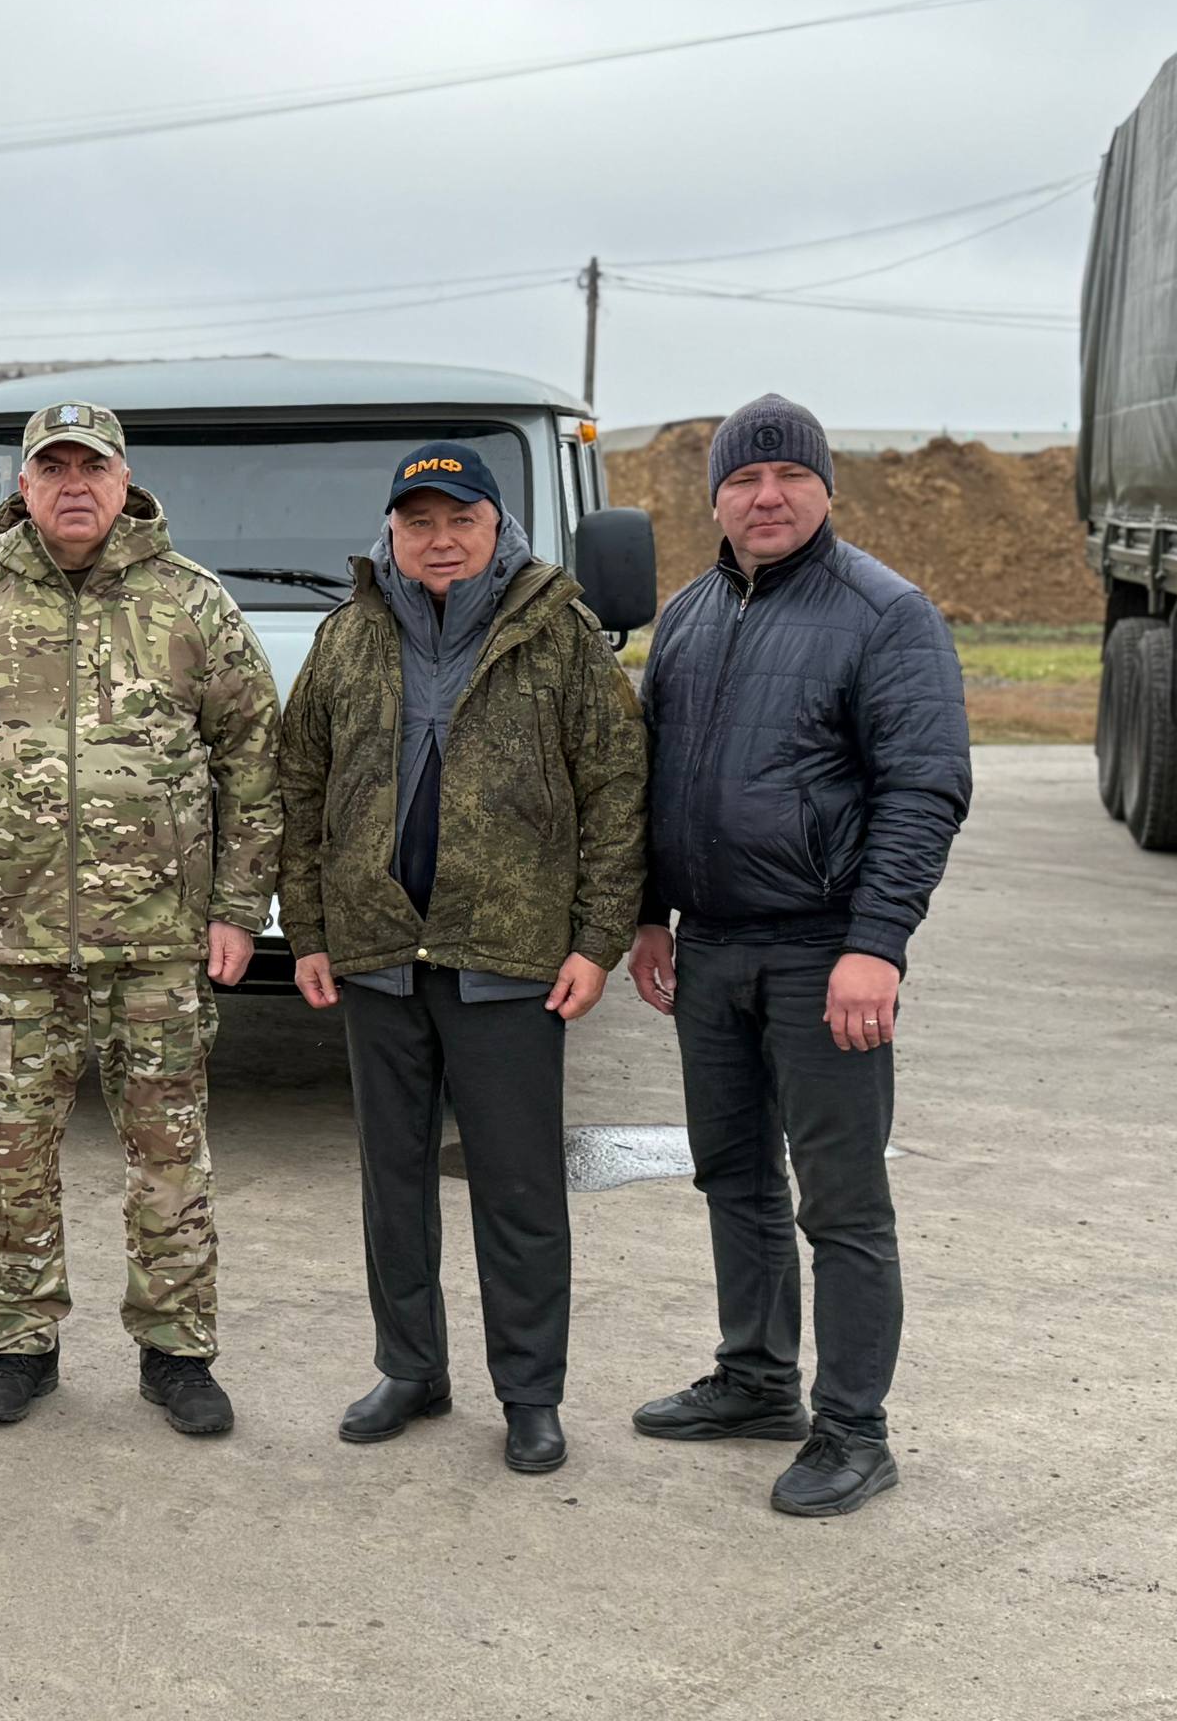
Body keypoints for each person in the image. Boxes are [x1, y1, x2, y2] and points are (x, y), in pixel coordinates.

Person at [626, 393, 969, 1517]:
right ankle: (756, 1379)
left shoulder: (886, 614)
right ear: (714, 498)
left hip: (825, 954)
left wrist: (877, 945)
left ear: (826, 489)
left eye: (788, 478)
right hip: (712, 949)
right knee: (732, 1176)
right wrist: (648, 911)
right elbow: (652, 778)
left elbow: (923, 789)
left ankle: (854, 1430)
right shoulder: (687, 615)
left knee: (843, 1204)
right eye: (742, 479)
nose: (765, 497)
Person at [276, 442, 648, 1476]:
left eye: (461, 520)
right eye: (419, 522)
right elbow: (298, 784)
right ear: (391, 532)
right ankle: (410, 1369)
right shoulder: (347, 633)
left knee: (518, 1188)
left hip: (509, 956)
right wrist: (309, 930)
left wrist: (597, 941)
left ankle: (530, 1395)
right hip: (377, 952)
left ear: (497, 527)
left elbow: (618, 789)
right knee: (392, 1182)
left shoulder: (559, 634)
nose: (440, 540)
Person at [0, 399, 281, 1436]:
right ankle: (18, 1345)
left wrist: (237, 907)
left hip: (158, 940)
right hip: (13, 940)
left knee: (168, 1152)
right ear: (23, 486)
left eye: (92, 468)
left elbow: (253, 759)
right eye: (54, 469)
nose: (73, 486)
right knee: (13, 1151)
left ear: (125, 481)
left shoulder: (191, 604)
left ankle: (177, 1351)